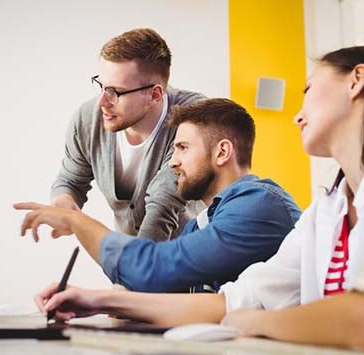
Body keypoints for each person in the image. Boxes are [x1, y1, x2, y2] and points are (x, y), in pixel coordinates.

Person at [30, 46, 364, 354]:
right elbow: (234, 302)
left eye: (309, 89)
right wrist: (99, 300)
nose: (297, 112)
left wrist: (256, 323)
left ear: (357, 80)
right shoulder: (326, 212)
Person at [16, 99, 301, 292]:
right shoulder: (201, 224)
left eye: (183, 148)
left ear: (222, 152)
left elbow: (153, 268)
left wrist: (75, 220)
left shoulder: (260, 205)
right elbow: (166, 291)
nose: (173, 162)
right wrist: (92, 301)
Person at [51, 28, 205, 242]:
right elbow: (71, 180)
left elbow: (164, 203)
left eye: (115, 92)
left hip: (191, 258)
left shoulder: (194, 118)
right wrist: (64, 201)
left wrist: (135, 267)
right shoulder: (87, 120)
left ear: (154, 94)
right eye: (101, 86)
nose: (102, 102)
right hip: (135, 256)